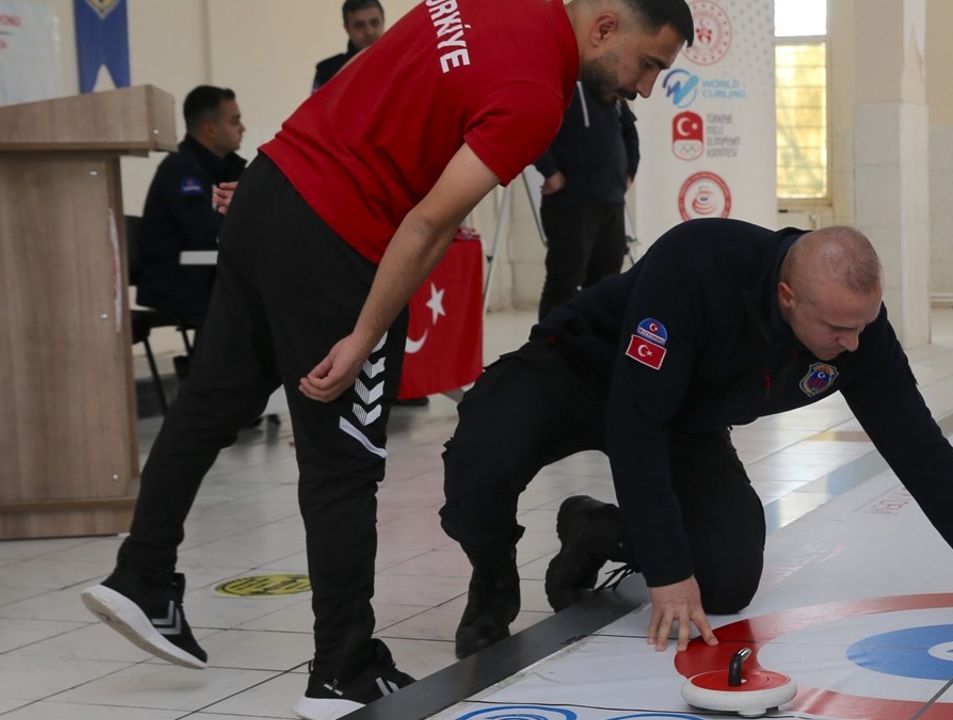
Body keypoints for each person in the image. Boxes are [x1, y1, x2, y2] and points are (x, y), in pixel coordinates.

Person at [81, 2, 693, 719]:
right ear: (604, 28)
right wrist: (367, 331)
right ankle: (342, 669)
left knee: (210, 402)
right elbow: (430, 219)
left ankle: (142, 572)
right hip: (338, 234)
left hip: (270, 191)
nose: (646, 89)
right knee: (343, 461)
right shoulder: (536, 97)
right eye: (648, 65)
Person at [441, 221, 953, 660]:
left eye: (865, 326)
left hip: (684, 412)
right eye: (839, 328)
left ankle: (597, 529)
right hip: (579, 371)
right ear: (788, 297)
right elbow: (635, 427)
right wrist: (666, 571)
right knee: (481, 458)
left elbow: (918, 446)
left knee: (727, 580)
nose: (855, 346)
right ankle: (493, 583)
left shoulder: (856, 330)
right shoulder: (699, 264)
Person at [135, 85, 246, 327]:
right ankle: (209, 366)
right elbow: (208, 233)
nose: (242, 128)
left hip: (200, 277)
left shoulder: (219, 168)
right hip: (178, 282)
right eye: (235, 121)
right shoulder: (184, 171)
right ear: (210, 128)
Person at [534, 83, 639, 321]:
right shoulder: (559, 86)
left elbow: (629, 131)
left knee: (606, 283)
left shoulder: (610, 87)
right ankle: (548, 350)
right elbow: (531, 129)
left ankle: (593, 347)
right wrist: (550, 171)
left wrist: (630, 170)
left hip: (612, 201)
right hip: (570, 203)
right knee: (564, 282)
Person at [312, 0, 386, 93]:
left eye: (374, 23)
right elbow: (317, 107)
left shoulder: (400, 62)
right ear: (347, 28)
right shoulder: (328, 72)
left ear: (383, 21)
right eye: (359, 25)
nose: (369, 31)